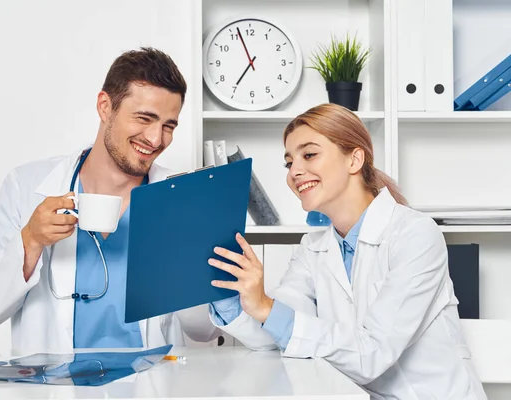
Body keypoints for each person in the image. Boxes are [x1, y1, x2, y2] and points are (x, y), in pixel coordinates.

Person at [207, 103, 487, 399]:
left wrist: (265, 306)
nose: (295, 172)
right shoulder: (312, 248)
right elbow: (279, 331)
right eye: (289, 163)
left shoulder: (415, 234)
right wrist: (231, 297)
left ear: (354, 159)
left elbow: (372, 354)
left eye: (309, 154)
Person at [0, 47, 220, 352]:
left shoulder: (182, 199)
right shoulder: (26, 186)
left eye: (168, 125)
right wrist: (30, 241)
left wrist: (182, 264)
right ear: (105, 107)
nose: (156, 139)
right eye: (144, 118)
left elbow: (204, 330)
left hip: (148, 388)